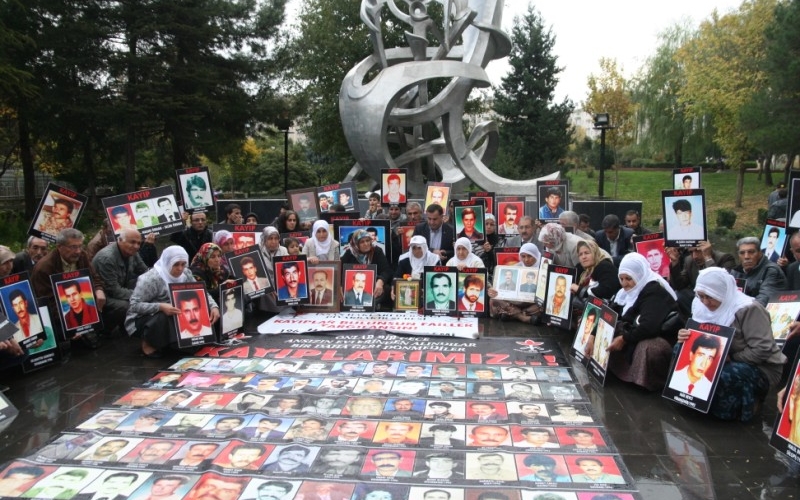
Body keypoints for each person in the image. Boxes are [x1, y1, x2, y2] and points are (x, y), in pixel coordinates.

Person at [675, 267, 786, 421]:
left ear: (722, 293)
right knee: (680, 349)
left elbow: (762, 349)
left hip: (760, 365)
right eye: (701, 296)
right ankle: (694, 399)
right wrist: (685, 335)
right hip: (716, 355)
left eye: (710, 297)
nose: (705, 302)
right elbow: (700, 337)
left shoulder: (748, 309)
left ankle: (742, 406)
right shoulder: (700, 305)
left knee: (724, 372)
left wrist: (731, 357)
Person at [601, 253, 681, 391]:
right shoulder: (624, 293)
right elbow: (610, 313)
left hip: (662, 337)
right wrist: (593, 334)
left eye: (629, 279)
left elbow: (649, 326)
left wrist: (624, 339)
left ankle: (649, 381)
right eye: (621, 279)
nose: (624, 284)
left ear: (640, 276)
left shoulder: (654, 291)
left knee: (649, 347)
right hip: (637, 330)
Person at [126, 246, 220, 357]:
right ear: (167, 262)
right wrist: (160, 306)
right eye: (176, 264)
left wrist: (213, 306)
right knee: (163, 317)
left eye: (183, 264)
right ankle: (149, 342)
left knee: (197, 309)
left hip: (176, 311)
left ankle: (176, 343)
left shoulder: (186, 274)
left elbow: (201, 292)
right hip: (145, 318)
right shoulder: (151, 279)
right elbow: (134, 306)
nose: (180, 268)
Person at [31, 228, 106, 344]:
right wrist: (72, 324)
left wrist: (99, 290)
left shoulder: (82, 256)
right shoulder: (44, 268)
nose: (78, 251)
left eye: (80, 246)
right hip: (58, 311)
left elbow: (94, 277)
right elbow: (48, 302)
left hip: (81, 303)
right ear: (59, 247)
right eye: (73, 247)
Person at [92, 228, 150, 330]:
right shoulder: (107, 258)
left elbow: (146, 272)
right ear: (120, 240)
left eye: (139, 243)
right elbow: (113, 290)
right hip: (102, 295)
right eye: (132, 242)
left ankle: (132, 324)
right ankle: (104, 329)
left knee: (146, 283)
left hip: (120, 286)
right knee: (126, 305)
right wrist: (140, 295)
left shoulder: (132, 252)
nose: (136, 246)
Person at [488, 243, 542, 323]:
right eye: (523, 256)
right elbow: (500, 290)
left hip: (531, 303)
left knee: (543, 305)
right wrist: (494, 291)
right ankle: (522, 317)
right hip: (514, 302)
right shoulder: (515, 267)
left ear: (536, 256)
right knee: (493, 299)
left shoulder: (542, 269)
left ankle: (511, 314)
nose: (526, 260)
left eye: (530, 256)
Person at [729, 236, 786, 306]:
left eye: (751, 252)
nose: (746, 256)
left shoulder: (771, 270)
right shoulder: (735, 272)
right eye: (742, 253)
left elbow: (763, 301)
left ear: (760, 253)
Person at [668, 333, 719, 399]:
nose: (703, 364)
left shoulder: (709, 387)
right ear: (691, 355)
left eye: (709, 358)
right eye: (701, 355)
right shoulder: (674, 377)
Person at [572, 239, 619, 305]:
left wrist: (579, 290)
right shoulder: (583, 270)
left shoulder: (605, 266)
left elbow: (606, 291)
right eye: (580, 254)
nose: (583, 257)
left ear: (595, 253)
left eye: (587, 253)